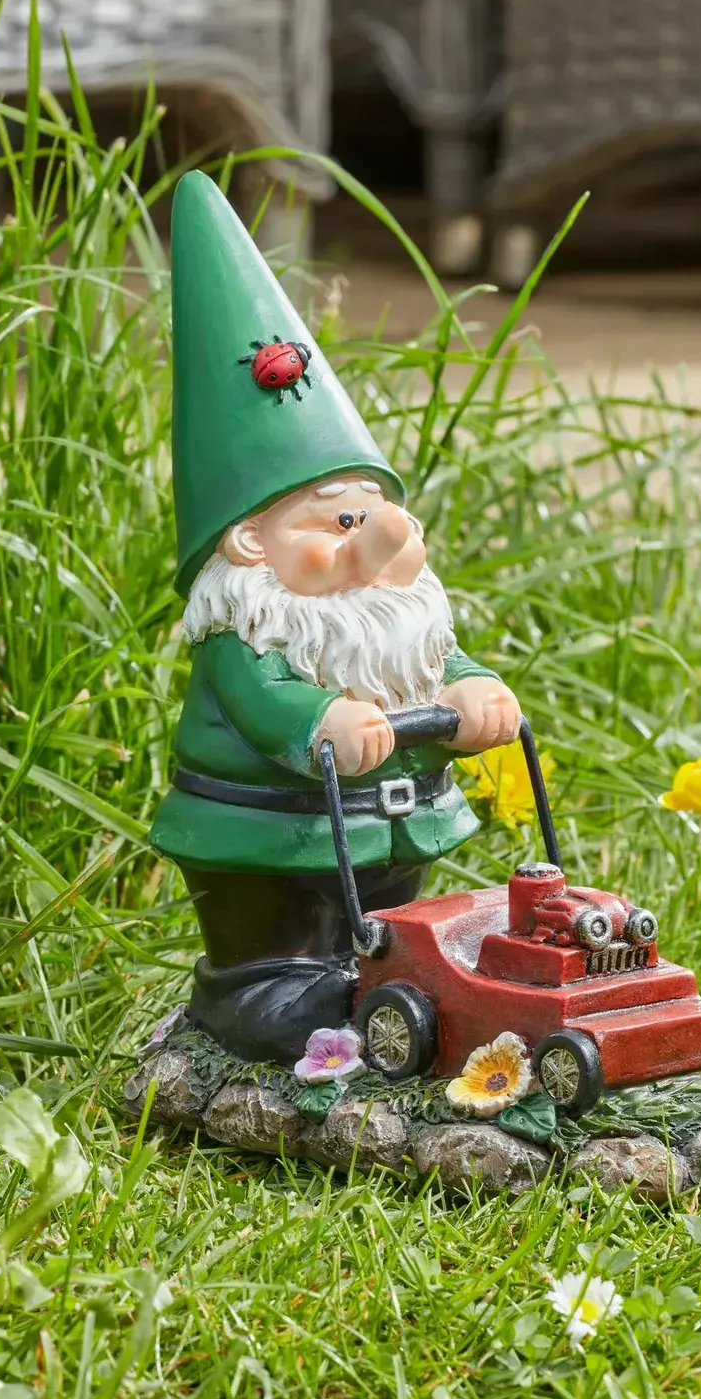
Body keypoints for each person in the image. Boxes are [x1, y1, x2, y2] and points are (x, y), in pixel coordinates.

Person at [149, 172, 521, 1061]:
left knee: (394, 944)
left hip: (394, 828)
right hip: (269, 841)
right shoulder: (248, 634)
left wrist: (471, 692)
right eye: (341, 523)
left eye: (382, 516)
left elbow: (433, 663)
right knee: (282, 948)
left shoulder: (391, 617)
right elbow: (268, 705)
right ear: (249, 544)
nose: (380, 543)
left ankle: (386, 992)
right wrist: (320, 720)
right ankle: (256, 989)